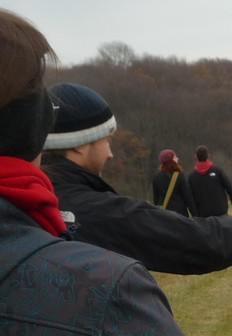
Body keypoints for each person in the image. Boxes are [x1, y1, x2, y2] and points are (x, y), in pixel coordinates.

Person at [0, 9, 184, 334]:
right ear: (34, 124)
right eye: (106, 141)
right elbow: (174, 232)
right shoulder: (109, 294)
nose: (112, 153)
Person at [42, 83, 232, 275]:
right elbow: (198, 242)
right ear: (79, 146)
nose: (110, 153)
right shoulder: (102, 212)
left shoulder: (24, 201)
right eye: (106, 140)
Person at [188, 145, 232, 217]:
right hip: (220, 211)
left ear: (195, 157)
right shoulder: (217, 171)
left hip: (203, 215)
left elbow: (190, 197)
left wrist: (194, 213)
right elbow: (229, 186)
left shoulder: (191, 176)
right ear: (208, 155)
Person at [152, 149, 197, 217]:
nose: (177, 159)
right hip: (180, 215)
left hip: (164, 215)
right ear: (172, 161)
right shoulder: (179, 176)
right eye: (175, 158)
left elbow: (156, 200)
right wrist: (195, 215)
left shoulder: (156, 178)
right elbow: (188, 198)